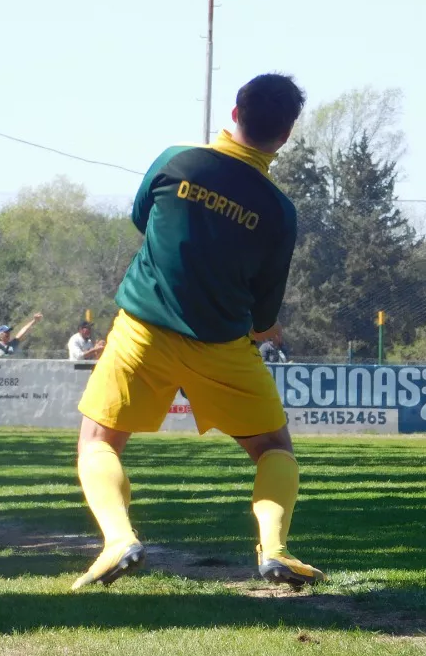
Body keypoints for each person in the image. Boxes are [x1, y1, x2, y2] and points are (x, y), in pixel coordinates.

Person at [71, 73, 324, 591]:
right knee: (274, 448)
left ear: (235, 113)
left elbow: (143, 217)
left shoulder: (176, 161)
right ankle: (274, 550)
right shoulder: (279, 211)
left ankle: (119, 539)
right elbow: (264, 311)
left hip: (143, 330)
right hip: (224, 346)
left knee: (99, 439)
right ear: (287, 134)